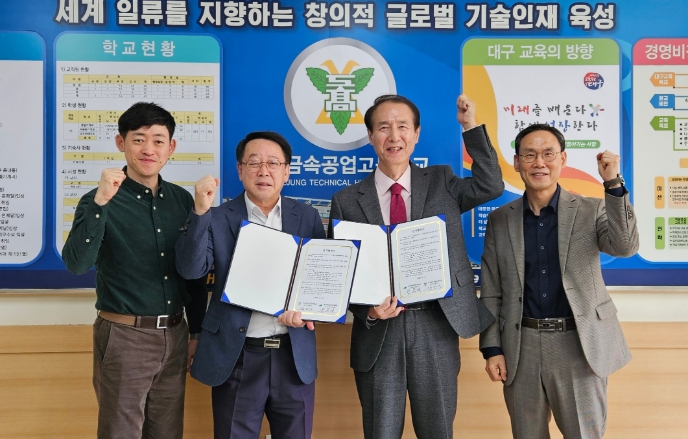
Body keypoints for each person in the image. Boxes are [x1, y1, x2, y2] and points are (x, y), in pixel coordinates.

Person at [328, 94, 503, 439]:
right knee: (380, 432)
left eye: (403, 127)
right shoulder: (346, 201)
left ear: (416, 133)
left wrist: (469, 127)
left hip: (435, 324)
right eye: (383, 127)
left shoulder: (442, 182)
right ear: (371, 136)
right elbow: (339, 276)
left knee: (437, 431)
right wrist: (369, 312)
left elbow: (491, 184)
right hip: (378, 333)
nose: (394, 136)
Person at [479, 123, 639, 438]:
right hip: (521, 346)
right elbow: (492, 289)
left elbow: (625, 246)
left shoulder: (591, 209)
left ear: (562, 159)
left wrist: (613, 184)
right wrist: (492, 348)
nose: (539, 162)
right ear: (517, 162)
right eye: (530, 155)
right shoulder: (500, 219)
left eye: (548, 154)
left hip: (579, 344)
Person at [62, 102, 207, 439]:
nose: (148, 149)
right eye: (138, 139)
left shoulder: (182, 200)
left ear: (171, 147)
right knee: (121, 432)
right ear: (121, 143)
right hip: (125, 336)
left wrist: (196, 332)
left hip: (176, 333)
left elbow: (192, 275)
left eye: (158, 141)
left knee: (167, 432)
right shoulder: (98, 199)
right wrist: (100, 203)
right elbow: (76, 263)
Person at [176, 131, 325, 439]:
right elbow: (191, 270)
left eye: (273, 163)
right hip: (237, 355)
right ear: (240, 170)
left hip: (293, 356)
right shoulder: (217, 216)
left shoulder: (306, 216)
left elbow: (320, 281)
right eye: (254, 163)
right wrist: (200, 212)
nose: (263, 171)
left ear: (287, 171)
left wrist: (308, 311)